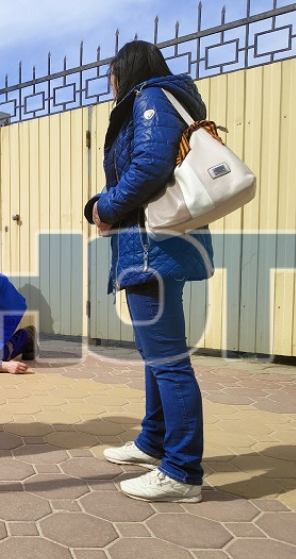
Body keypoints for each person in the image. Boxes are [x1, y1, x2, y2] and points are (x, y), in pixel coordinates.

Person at [84, 41, 214, 503]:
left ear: (124, 71)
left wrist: (105, 207)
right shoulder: (161, 99)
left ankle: (181, 471)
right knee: (157, 352)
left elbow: (150, 166)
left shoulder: (149, 98)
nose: (110, 84)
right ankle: (153, 442)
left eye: (111, 75)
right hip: (156, 246)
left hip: (149, 246)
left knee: (168, 361)